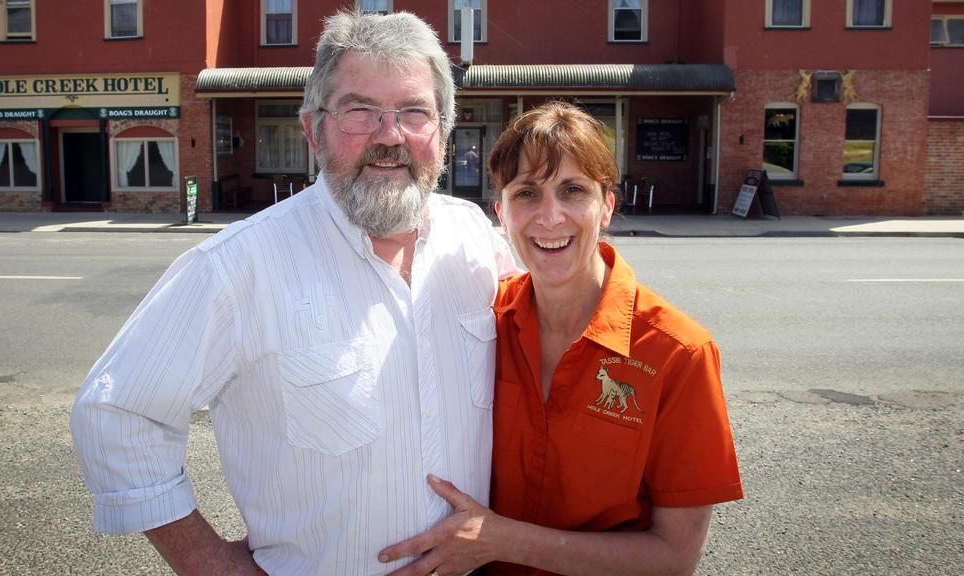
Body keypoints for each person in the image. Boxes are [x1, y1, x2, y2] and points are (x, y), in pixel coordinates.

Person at [69, 10, 517, 575]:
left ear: (442, 131)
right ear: (313, 129)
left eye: (413, 112)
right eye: (360, 110)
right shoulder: (239, 265)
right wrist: (212, 565)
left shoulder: (475, 238)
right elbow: (116, 412)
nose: (389, 135)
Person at [378, 101, 743, 576]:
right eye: (527, 194)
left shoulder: (677, 353)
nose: (550, 218)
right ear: (501, 214)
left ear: (607, 206)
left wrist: (502, 541)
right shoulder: (483, 323)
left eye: (572, 190)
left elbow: (674, 557)